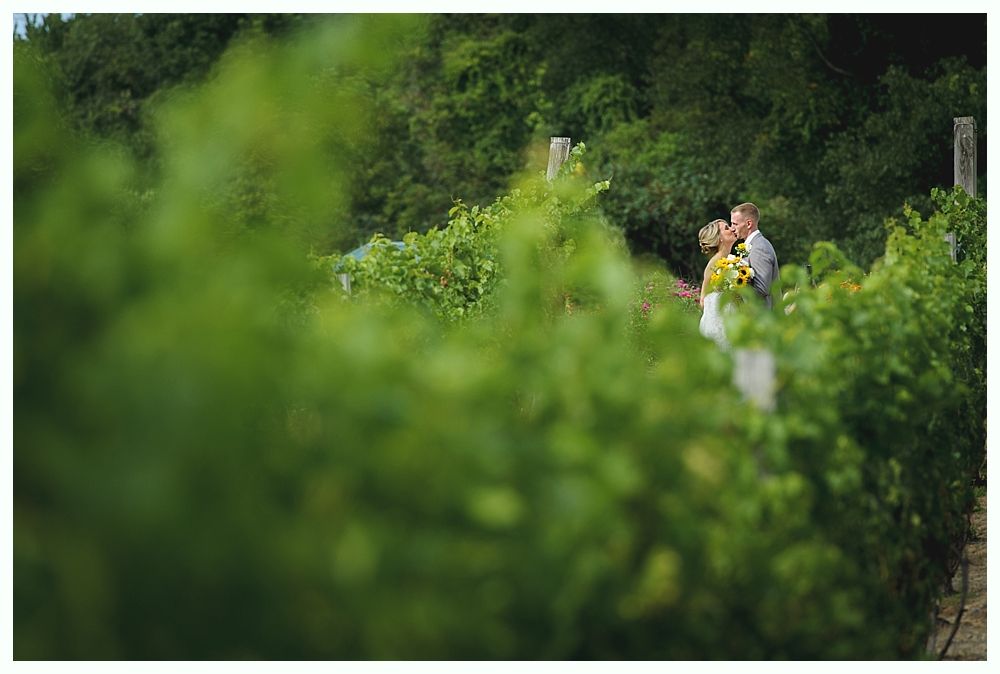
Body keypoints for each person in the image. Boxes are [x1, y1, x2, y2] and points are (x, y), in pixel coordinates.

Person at [697, 218, 738, 349]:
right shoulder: (715, 263)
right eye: (726, 228)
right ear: (719, 238)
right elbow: (702, 300)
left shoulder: (730, 260)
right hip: (719, 327)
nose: (732, 229)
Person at [729, 202, 779, 308]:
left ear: (748, 224)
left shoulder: (760, 247)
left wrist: (734, 286)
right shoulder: (752, 245)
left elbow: (761, 289)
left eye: (735, 224)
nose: (732, 228)